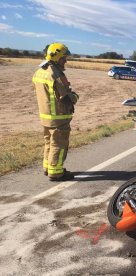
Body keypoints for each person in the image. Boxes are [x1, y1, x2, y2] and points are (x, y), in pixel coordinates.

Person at [32, 43, 79, 181]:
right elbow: (65, 97)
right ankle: (56, 172)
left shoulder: (41, 70)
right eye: (64, 58)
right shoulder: (55, 73)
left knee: (49, 143)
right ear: (58, 57)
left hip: (45, 117)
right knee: (59, 144)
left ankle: (48, 168)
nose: (66, 61)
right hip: (58, 117)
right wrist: (75, 97)